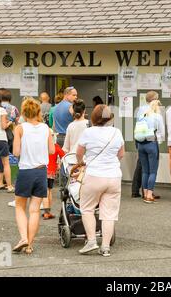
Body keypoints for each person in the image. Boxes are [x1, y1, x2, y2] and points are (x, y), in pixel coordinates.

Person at [76, 105, 124, 257]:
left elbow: (79, 153)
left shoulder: (88, 132)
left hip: (94, 175)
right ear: (109, 118)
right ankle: (105, 247)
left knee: (88, 208)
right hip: (114, 177)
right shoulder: (117, 132)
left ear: (94, 117)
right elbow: (121, 154)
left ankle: (91, 241)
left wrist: (82, 162)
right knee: (109, 214)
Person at [12, 98, 54, 254]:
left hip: (25, 171)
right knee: (35, 210)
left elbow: (16, 152)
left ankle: (23, 238)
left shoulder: (20, 128)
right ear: (38, 112)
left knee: (20, 207)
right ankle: (29, 244)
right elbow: (51, 150)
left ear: (24, 113)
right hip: (41, 171)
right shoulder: (46, 128)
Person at [131, 91, 159, 199]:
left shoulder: (140, 109)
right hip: (149, 138)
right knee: (147, 167)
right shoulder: (153, 110)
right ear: (154, 100)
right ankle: (146, 191)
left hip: (139, 137)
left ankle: (138, 190)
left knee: (141, 164)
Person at [136, 99, 165, 203]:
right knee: (153, 171)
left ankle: (144, 193)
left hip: (141, 145)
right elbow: (161, 132)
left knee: (145, 171)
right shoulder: (158, 117)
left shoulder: (142, 116)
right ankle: (149, 195)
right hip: (151, 144)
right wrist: (160, 142)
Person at [43, 130, 65, 220]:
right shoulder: (55, 146)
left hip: (41, 170)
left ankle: (46, 212)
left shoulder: (42, 146)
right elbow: (63, 155)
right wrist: (59, 164)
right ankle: (48, 212)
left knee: (44, 192)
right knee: (49, 191)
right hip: (51, 171)